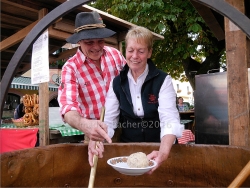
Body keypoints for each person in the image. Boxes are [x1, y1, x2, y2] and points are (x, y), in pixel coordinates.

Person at [88, 26, 183, 174]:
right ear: (125, 51)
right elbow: (109, 121)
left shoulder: (163, 80)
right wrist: (99, 138)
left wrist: (163, 152)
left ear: (149, 52)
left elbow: (169, 119)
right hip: (129, 150)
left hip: (159, 147)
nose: (135, 56)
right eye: (131, 50)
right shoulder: (117, 83)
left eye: (141, 51)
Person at [57, 11, 126, 143]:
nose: (96, 47)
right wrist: (86, 125)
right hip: (95, 132)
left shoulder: (115, 55)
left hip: (125, 127)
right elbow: (68, 108)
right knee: (98, 164)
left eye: (100, 41)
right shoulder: (71, 68)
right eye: (89, 42)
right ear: (79, 42)